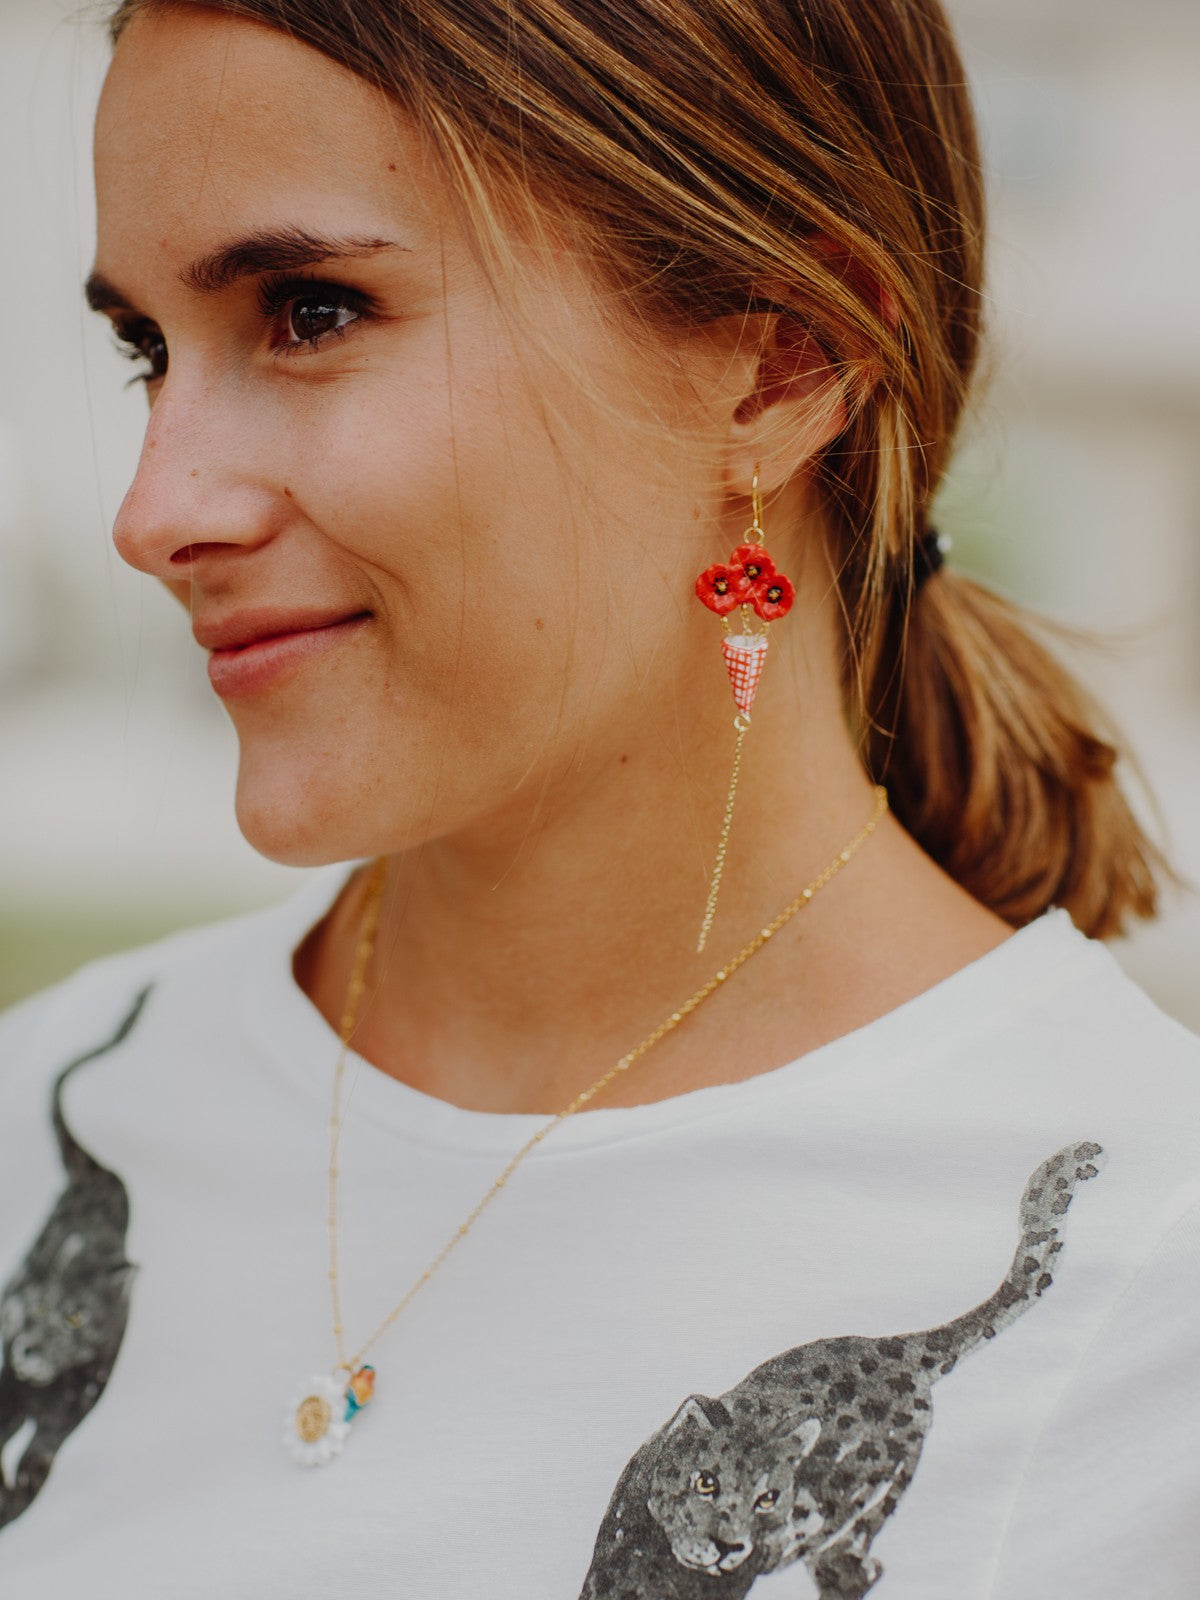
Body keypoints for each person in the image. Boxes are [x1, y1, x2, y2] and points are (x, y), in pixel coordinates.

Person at [0, 0, 1196, 1594]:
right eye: (149, 350)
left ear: (783, 358)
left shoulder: (1150, 1322)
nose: (155, 510)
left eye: (308, 310)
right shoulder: (44, 1115)